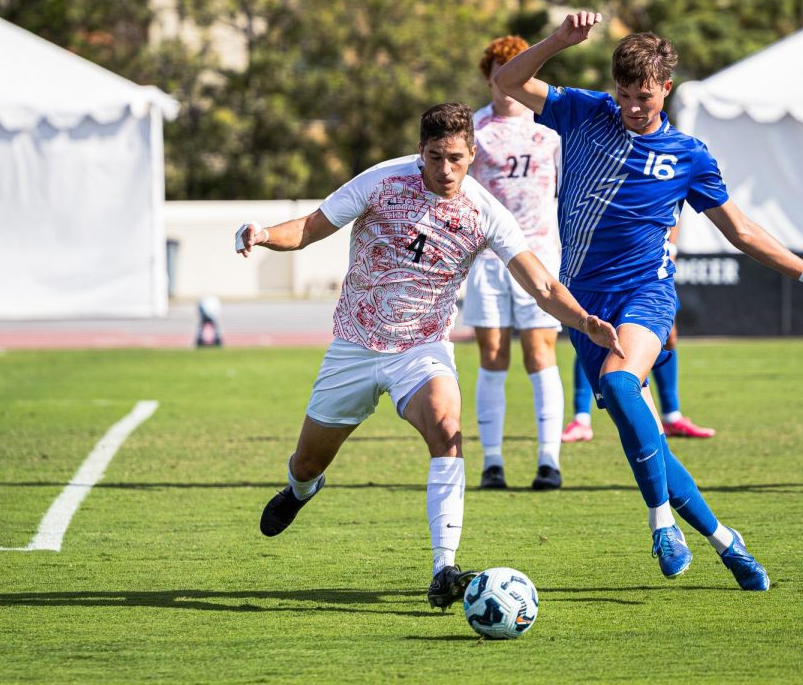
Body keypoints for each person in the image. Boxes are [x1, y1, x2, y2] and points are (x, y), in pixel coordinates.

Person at [495, 11, 803, 591]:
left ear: (665, 88)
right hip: (583, 305)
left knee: (623, 388)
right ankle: (725, 539)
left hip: (646, 293)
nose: (631, 106)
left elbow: (740, 230)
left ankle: (661, 523)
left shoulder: (688, 154)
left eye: (643, 96)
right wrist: (559, 42)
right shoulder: (585, 112)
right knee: (641, 438)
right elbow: (508, 83)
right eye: (623, 94)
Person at [235, 103, 622, 611]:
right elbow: (310, 227)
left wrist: (584, 321)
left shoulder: (485, 212)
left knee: (446, 428)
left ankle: (444, 568)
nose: (445, 170)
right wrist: (263, 235)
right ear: (420, 151)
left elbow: (542, 282)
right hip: (355, 343)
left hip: (422, 348)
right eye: (435, 157)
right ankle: (300, 490)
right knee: (308, 462)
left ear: (472, 154)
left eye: (456, 158)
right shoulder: (381, 181)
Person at [462, 35, 565, 491]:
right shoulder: (474, 133)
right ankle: (493, 462)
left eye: (517, 71)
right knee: (492, 355)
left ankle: (549, 460)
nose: (507, 84)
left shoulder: (550, 133)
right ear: (488, 78)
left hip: (540, 255)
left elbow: (564, 196)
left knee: (540, 353)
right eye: (498, 73)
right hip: (487, 259)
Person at [563, 229, 716, 442]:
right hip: (606, 264)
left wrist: (670, 248)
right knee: (595, 330)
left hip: (651, 266)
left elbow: (675, 207)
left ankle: (672, 416)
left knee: (668, 335)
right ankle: (581, 419)